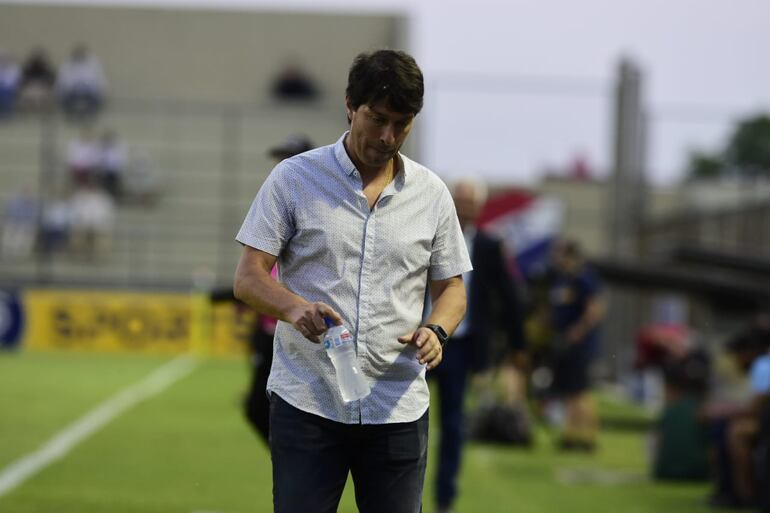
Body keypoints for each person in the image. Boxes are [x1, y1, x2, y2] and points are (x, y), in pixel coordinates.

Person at [233, 49, 471, 513]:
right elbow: (247, 277)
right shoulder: (294, 179)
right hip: (308, 401)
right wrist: (294, 307)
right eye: (377, 118)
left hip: (397, 405)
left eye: (401, 124)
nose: (387, 137)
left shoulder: (433, 195)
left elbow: (453, 288)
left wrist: (437, 330)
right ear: (349, 105)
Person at [427, 179, 526, 513]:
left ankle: (444, 499)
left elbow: (509, 297)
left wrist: (518, 346)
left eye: (470, 202)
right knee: (404, 420)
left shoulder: (489, 246)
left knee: (453, 424)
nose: (463, 207)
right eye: (459, 200)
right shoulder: (427, 234)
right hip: (417, 341)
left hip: (460, 345)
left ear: (479, 208)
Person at [548, 239, 604, 451]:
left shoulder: (583, 277)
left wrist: (578, 331)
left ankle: (589, 438)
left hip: (579, 344)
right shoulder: (563, 279)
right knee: (570, 392)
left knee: (580, 391)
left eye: (560, 254)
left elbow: (595, 309)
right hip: (565, 341)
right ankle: (570, 435)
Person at [57, 44, 107, 118]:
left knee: (94, 100)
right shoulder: (67, 65)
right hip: (72, 92)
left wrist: (103, 92)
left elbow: (101, 80)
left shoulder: (93, 64)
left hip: (89, 92)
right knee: (66, 100)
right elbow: (62, 82)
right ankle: (73, 116)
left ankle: (89, 116)